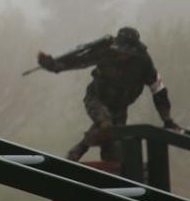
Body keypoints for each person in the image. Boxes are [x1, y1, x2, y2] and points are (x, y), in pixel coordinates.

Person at [36, 26, 182, 161]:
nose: (121, 55)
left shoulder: (143, 62)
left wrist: (166, 118)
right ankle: (76, 153)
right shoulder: (105, 50)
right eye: (120, 51)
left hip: (120, 107)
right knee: (105, 123)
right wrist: (54, 65)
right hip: (97, 98)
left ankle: (106, 171)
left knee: (115, 150)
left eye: (126, 53)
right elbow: (79, 60)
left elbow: (158, 89)